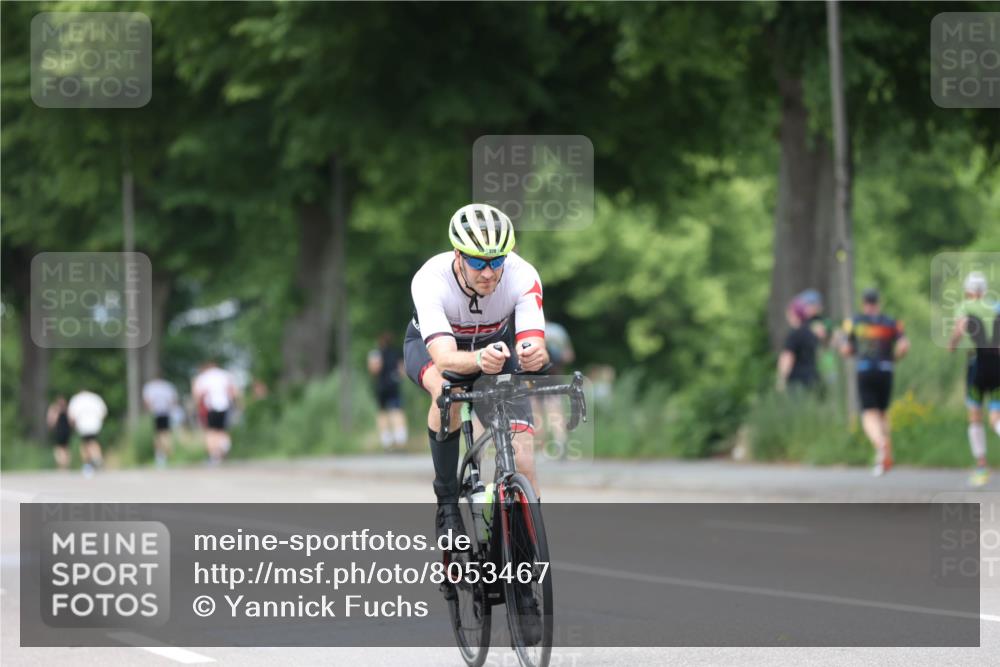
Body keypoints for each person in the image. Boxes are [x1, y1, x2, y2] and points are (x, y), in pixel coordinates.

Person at [403, 203, 548, 543]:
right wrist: (479, 359)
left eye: (497, 261)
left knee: (524, 458)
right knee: (446, 393)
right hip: (436, 350)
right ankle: (447, 503)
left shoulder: (523, 275)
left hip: (495, 349)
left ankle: (526, 553)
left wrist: (534, 355)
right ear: (457, 255)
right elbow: (444, 358)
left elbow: (531, 341)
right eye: (477, 262)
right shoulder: (430, 279)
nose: (488, 272)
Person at [841, 288, 909, 476]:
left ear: (864, 303)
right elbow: (904, 346)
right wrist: (894, 358)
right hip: (886, 370)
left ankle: (880, 444)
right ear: (879, 303)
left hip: (865, 370)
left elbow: (846, 349)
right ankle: (886, 457)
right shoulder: (892, 323)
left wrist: (851, 352)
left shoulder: (854, 323)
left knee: (868, 415)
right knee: (883, 413)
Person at [948, 271, 1000, 487]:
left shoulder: (965, 306)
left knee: (975, 414)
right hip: (997, 365)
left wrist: (952, 344)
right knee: (996, 415)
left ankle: (981, 467)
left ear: (968, 291)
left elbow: (961, 327)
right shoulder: (995, 306)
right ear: (985, 290)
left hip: (977, 364)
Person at [192, 361, 239, 464]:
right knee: (222, 430)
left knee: (211, 431)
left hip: (211, 407)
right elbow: (234, 391)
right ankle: (223, 449)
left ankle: (214, 455)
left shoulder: (204, 377)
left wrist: (196, 408)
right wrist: (237, 405)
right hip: (225, 406)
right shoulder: (225, 375)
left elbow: (198, 394)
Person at [368, 332, 408, 450]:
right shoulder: (396, 353)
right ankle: (400, 439)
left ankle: (386, 441)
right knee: (397, 411)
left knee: (382, 412)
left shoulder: (375, 353)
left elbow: (374, 370)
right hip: (393, 385)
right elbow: (402, 371)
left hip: (381, 386)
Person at [777, 298, 819, 392]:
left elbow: (787, 356)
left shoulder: (794, 335)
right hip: (812, 378)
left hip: (797, 381)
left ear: (794, 314)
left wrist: (781, 379)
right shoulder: (811, 333)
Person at [67, 389, 107, 476]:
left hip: (82, 425)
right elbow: (103, 412)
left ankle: (87, 463)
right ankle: (97, 458)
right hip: (95, 424)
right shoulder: (95, 397)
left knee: (85, 444)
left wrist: (73, 425)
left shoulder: (76, 399)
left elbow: (71, 415)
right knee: (93, 442)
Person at [143, 377, 179, 468]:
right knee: (165, 434)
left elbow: (147, 401)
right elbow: (173, 400)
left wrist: (149, 410)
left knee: (158, 435)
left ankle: (160, 456)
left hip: (156, 413)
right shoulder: (167, 386)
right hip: (166, 413)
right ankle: (166, 455)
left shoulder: (150, 387)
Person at [46, 395, 71, 470]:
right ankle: (66, 463)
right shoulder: (67, 409)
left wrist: (50, 427)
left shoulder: (54, 409)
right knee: (66, 448)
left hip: (59, 430)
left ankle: (61, 464)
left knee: (58, 448)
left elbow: (51, 421)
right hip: (66, 430)